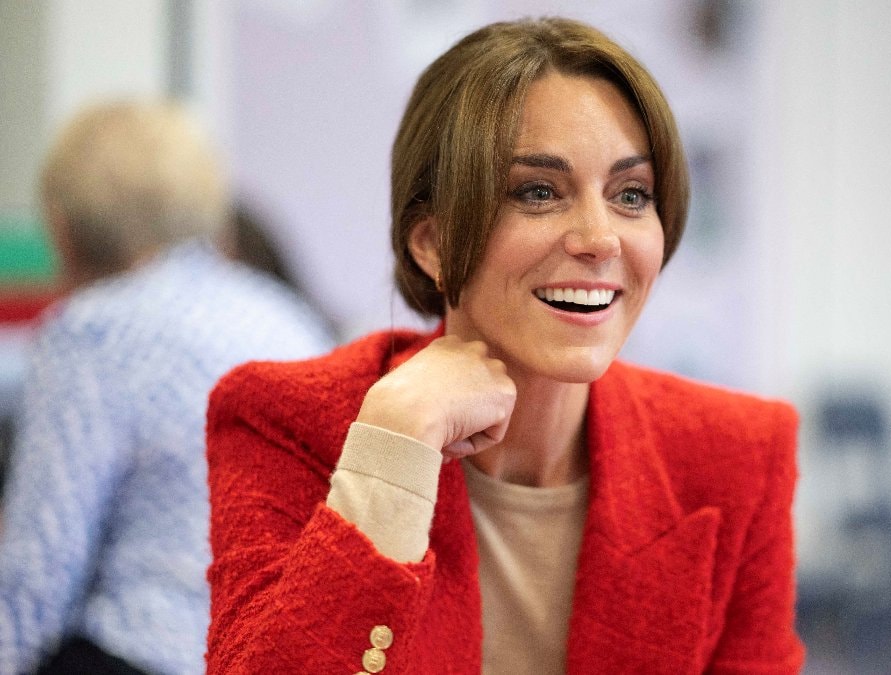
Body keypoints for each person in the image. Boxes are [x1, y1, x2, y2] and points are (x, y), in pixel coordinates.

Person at [207, 17, 804, 674]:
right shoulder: (284, 419)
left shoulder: (738, 453)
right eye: (539, 192)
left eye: (631, 194)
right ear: (431, 242)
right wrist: (394, 449)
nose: (600, 239)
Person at [0, 102, 336, 674]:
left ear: (63, 229)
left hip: (147, 653)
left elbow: (38, 574)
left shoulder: (91, 331)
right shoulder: (287, 316)